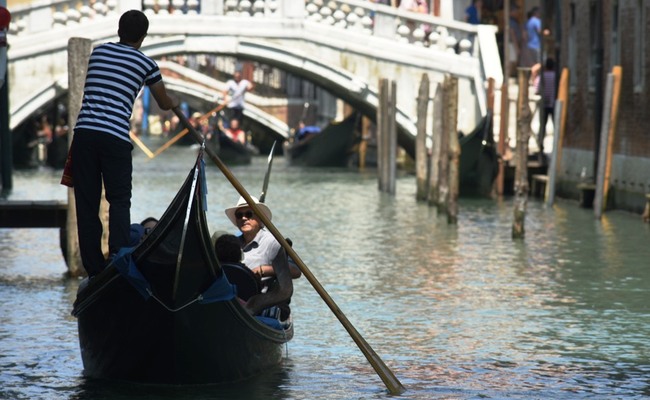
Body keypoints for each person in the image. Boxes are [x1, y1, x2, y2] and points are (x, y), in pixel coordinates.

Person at [69, 10, 178, 277]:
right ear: (143, 37)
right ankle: (118, 256)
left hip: (84, 135)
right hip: (115, 138)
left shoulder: (98, 53)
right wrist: (174, 102)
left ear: (119, 30)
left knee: (86, 202)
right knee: (119, 200)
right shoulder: (147, 64)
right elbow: (163, 103)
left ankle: (94, 268)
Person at [224, 196, 298, 319]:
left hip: (264, 301)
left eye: (248, 214)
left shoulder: (274, 243)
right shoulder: (232, 244)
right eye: (239, 215)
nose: (244, 218)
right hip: (235, 299)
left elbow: (295, 271)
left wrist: (264, 270)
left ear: (260, 218)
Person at [535, 57, 557, 158]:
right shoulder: (555, 76)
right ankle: (556, 146)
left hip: (544, 105)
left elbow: (537, 89)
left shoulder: (542, 76)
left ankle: (540, 146)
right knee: (555, 126)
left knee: (542, 126)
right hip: (553, 104)